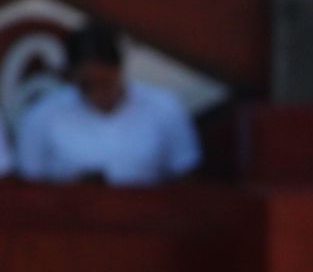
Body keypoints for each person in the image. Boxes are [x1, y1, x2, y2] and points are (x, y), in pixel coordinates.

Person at [15, 22, 201, 186]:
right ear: (72, 76)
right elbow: (29, 186)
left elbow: (187, 177)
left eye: (105, 82)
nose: (97, 93)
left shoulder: (164, 107)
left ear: (119, 69)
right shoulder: (42, 115)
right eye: (87, 85)